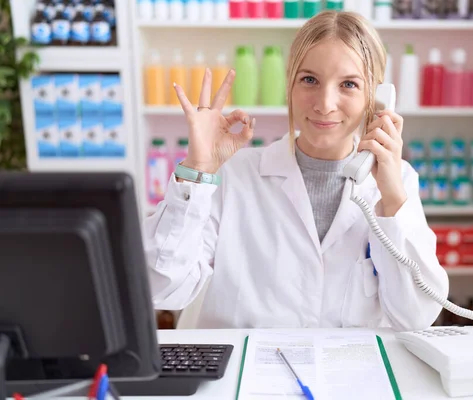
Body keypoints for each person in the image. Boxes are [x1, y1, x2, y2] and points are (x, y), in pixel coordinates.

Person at [144, 10, 449, 331]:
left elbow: (415, 316)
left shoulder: (397, 181)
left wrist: (390, 199)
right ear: (289, 82)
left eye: (348, 84)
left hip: (346, 375)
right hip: (245, 374)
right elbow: (162, 287)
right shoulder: (234, 175)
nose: (324, 103)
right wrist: (197, 169)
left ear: (376, 97)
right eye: (309, 80)